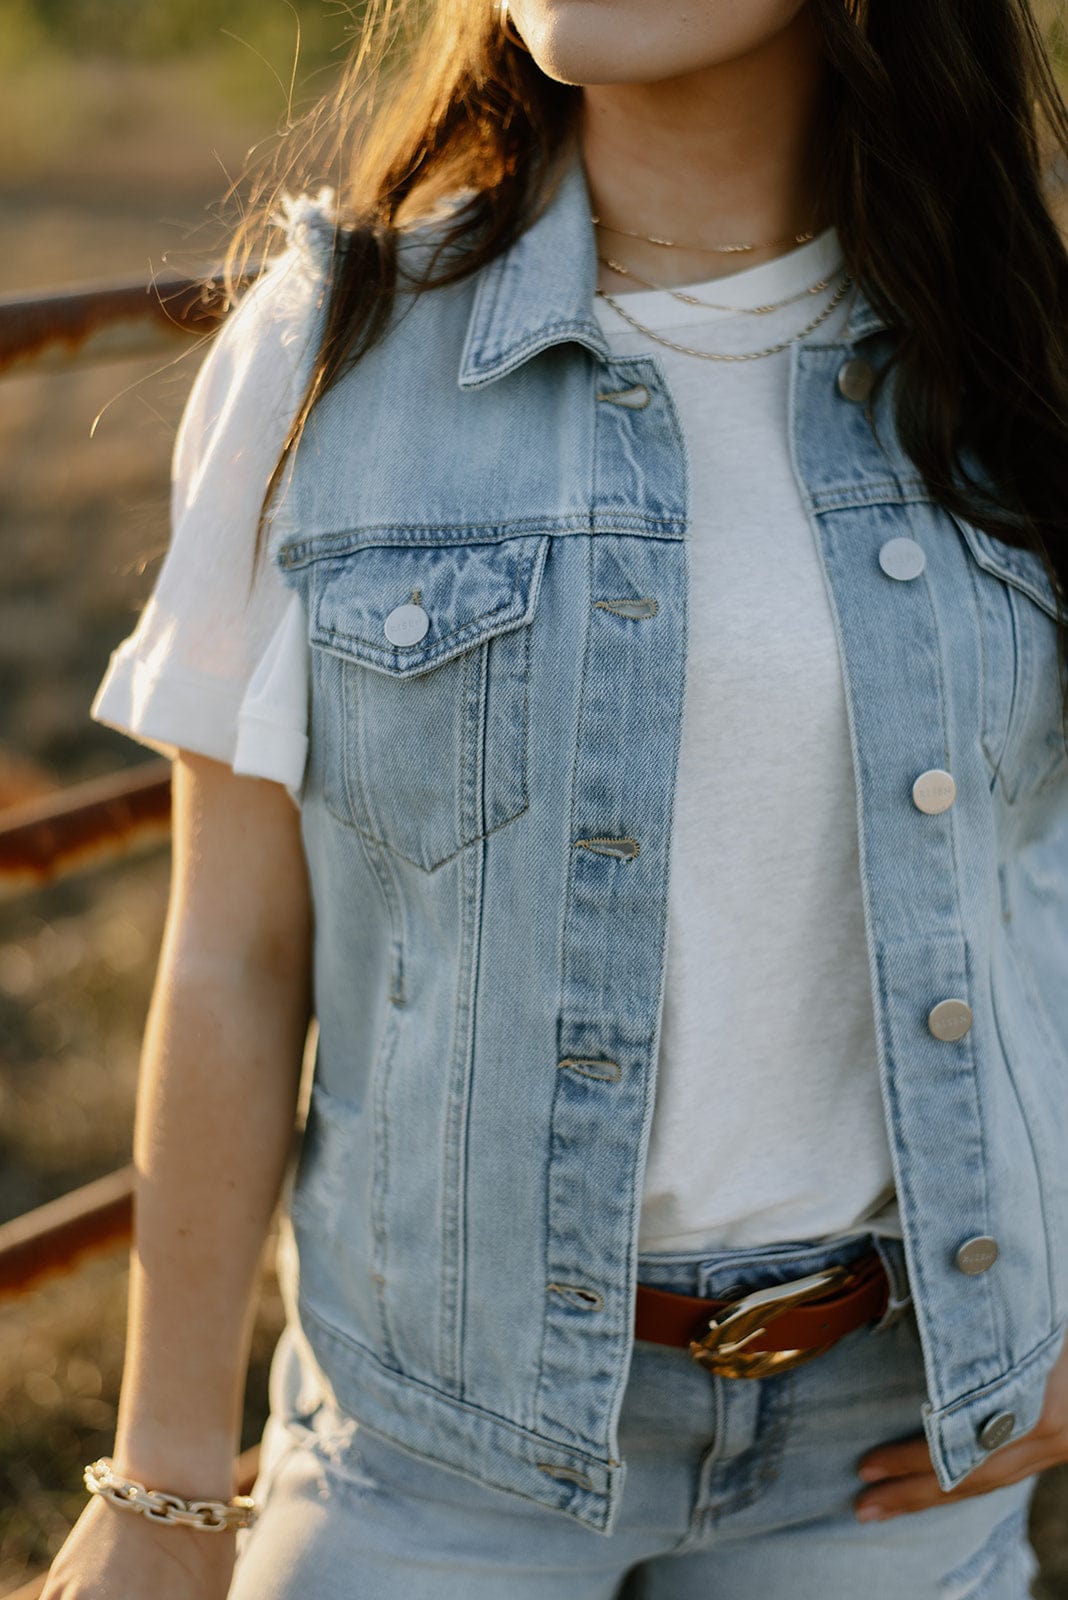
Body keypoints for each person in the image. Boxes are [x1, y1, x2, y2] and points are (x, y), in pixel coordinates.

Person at [41, 0, 1068, 1595]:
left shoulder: (1020, 348)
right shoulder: (334, 346)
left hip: (898, 1434)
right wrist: (169, 1484)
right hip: (436, 1443)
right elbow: (233, 956)